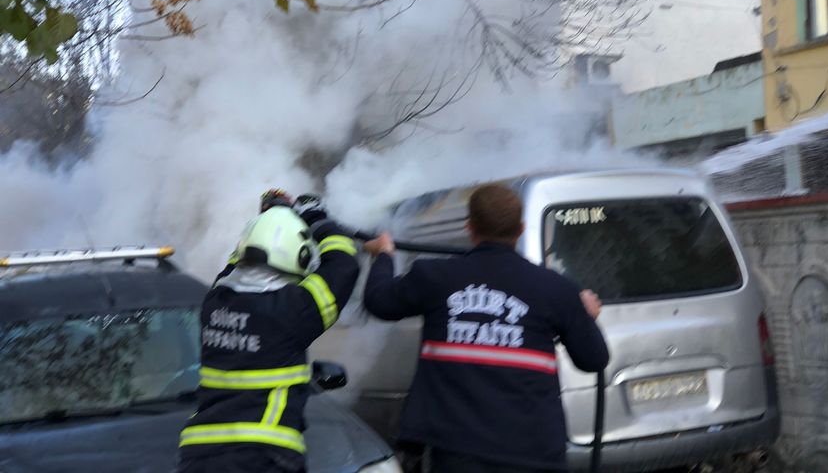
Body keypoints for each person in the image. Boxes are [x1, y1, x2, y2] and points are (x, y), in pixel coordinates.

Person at [363, 183, 609, 473]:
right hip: (535, 453)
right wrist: (586, 316)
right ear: (521, 229)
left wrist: (383, 255)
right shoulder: (556, 288)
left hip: (457, 453)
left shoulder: (435, 277)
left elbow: (379, 301)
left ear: (470, 227)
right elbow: (593, 359)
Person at [178, 193, 360, 473]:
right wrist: (316, 218)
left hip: (199, 456)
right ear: (299, 256)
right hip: (263, 457)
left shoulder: (215, 302)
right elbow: (343, 263)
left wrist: (271, 217)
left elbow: (237, 263)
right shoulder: (294, 310)